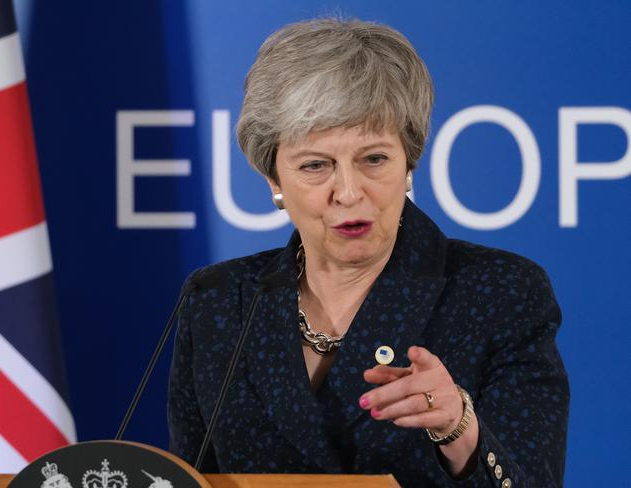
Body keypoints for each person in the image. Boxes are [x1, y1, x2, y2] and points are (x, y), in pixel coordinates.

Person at [168, 18, 569, 487]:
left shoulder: (499, 292)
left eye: (373, 159)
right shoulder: (217, 299)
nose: (349, 192)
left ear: (409, 161)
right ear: (274, 180)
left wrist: (459, 428)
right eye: (316, 166)